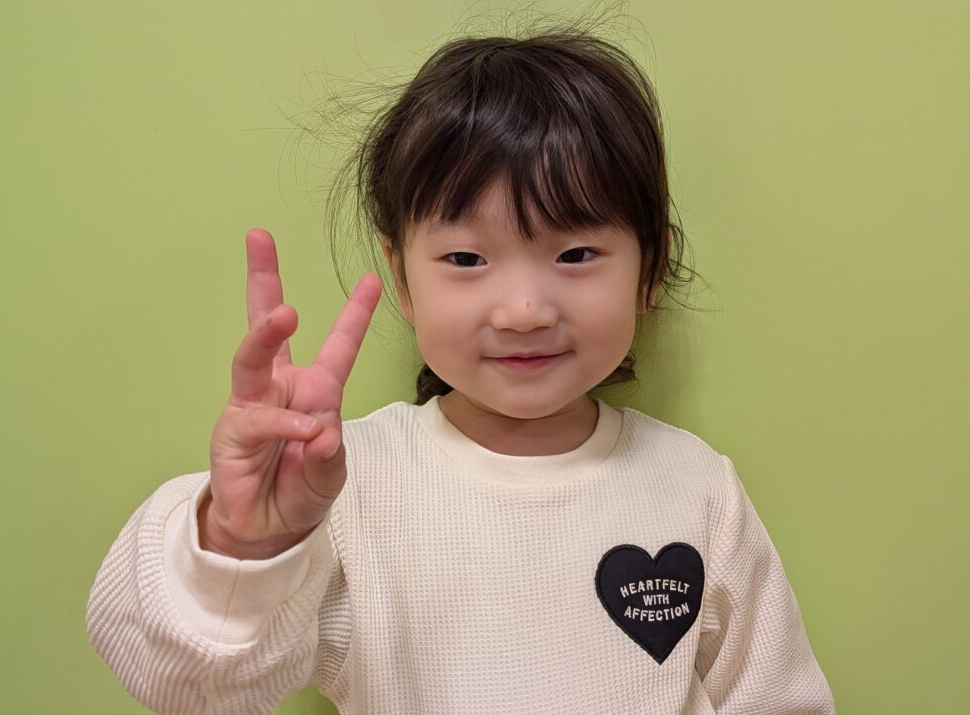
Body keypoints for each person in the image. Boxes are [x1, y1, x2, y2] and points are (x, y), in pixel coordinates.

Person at [86, 23, 836, 715]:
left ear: (650, 269)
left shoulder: (697, 488)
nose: (524, 310)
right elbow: (192, 687)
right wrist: (246, 546)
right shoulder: (343, 486)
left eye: (576, 253)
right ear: (403, 279)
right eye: (468, 258)